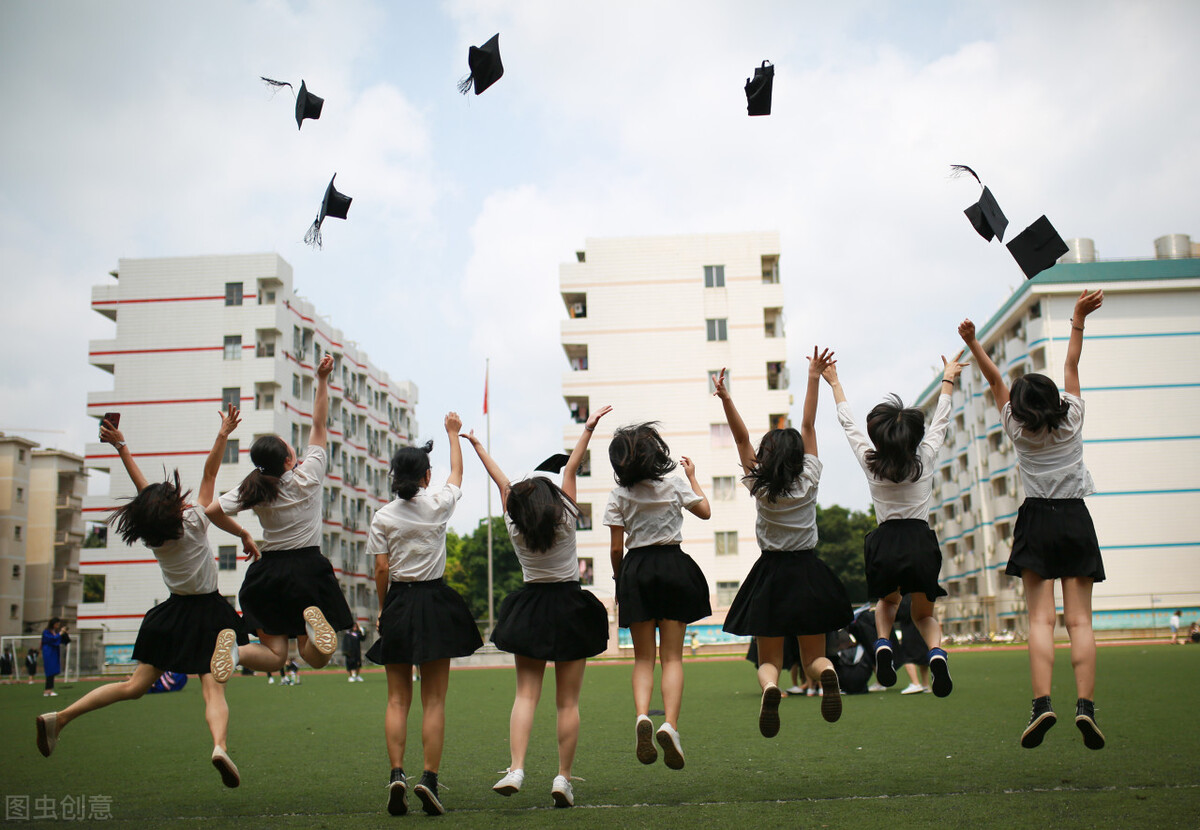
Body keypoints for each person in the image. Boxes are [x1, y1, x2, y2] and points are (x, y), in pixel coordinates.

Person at [35, 408, 256, 787]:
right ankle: (219, 745)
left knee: (133, 687)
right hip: (209, 613)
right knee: (212, 687)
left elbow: (146, 496)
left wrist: (122, 447)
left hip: (171, 614)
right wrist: (223, 433)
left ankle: (62, 717)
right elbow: (209, 474)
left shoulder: (156, 533)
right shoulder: (194, 521)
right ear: (174, 508)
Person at [959, 289, 1107, 750]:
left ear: (1020, 409)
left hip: (1036, 521)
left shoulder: (1016, 428)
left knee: (1040, 622)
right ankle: (1086, 708)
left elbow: (996, 380)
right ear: (1054, 400)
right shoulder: (1074, 418)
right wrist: (1078, 317)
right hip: (1076, 518)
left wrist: (973, 342)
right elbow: (1071, 367)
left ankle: (1042, 704)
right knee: (1079, 623)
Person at [465, 405, 611, 809]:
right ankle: (563, 777)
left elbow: (502, 482)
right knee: (567, 702)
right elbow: (572, 468)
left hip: (530, 606)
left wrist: (477, 445)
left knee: (525, 696)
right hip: (569, 605)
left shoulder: (515, 524)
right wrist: (589, 429)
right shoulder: (566, 516)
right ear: (554, 500)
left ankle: (516, 768)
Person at [716, 350, 852, 735]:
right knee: (813, 658)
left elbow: (741, 437)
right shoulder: (808, 480)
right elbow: (808, 424)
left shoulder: (760, 485)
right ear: (797, 457)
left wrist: (726, 398)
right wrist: (813, 376)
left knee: (769, 659)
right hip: (808, 571)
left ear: (766, 458)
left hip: (771, 574)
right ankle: (826, 675)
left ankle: (772, 687)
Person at [822, 351, 967, 698]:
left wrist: (835, 383)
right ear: (914, 437)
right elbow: (941, 420)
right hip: (920, 540)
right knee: (923, 615)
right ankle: (935, 653)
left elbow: (849, 426)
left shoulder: (871, 462)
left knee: (886, 604)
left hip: (885, 541)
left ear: (878, 437)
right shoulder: (926, 457)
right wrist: (948, 378)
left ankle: (884, 644)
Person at [207, 354, 353, 678]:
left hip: (268, 573)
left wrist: (243, 534)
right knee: (313, 657)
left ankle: (236, 651)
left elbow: (212, 512)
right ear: (290, 460)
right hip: (307, 569)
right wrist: (323, 380)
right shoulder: (309, 475)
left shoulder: (253, 490)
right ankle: (316, 636)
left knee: (275, 657)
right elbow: (318, 424)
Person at [367, 413, 482, 816]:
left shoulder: (382, 517)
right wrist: (453, 434)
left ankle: (396, 775)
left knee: (398, 700)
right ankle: (428, 779)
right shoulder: (437, 505)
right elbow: (457, 474)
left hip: (399, 602)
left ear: (393, 476)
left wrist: (384, 608)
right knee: (435, 701)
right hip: (435, 602)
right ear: (425, 477)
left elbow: (381, 569)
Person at [604, 422, 711, 770]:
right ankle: (671, 725)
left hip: (636, 570)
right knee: (673, 658)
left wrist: (622, 581)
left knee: (642, 659)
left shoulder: (619, 495)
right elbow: (705, 511)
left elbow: (616, 549)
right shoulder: (674, 483)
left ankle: (641, 716)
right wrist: (692, 476)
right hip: (672, 566)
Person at [894, 594, 931, 694]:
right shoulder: (921, 595)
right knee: (923, 658)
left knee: (907, 657)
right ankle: (925, 685)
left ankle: (915, 683)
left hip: (910, 631)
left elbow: (901, 614)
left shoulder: (905, 598)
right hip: (923, 630)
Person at [40, 620, 69, 697]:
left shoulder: (53, 631)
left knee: (52, 671)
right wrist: (60, 633)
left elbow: (59, 639)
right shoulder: (46, 632)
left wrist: (63, 634)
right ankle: (47, 690)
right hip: (49, 652)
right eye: (56, 624)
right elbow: (52, 639)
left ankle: (49, 690)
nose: (57, 626)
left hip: (54, 652)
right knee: (50, 671)